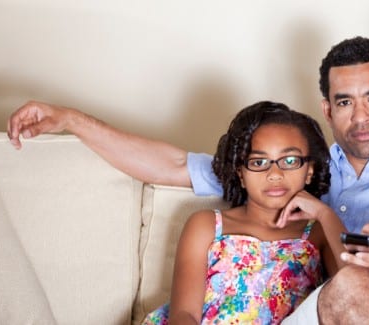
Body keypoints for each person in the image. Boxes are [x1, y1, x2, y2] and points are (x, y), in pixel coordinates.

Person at [7, 36, 369, 324]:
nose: (360, 116)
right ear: (327, 109)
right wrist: (70, 119)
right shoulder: (296, 169)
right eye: (344, 102)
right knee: (349, 286)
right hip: (311, 317)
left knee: (356, 287)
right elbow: (172, 166)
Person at [142, 101, 347, 324]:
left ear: (309, 170)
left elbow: (356, 291)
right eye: (259, 162)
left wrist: (326, 214)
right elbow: (184, 314)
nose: (274, 174)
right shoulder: (207, 225)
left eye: (290, 161)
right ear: (241, 173)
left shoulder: (319, 233)